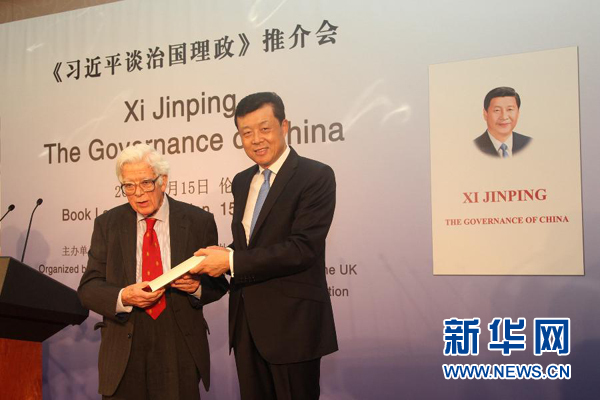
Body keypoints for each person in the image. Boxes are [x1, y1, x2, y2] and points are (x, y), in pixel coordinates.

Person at [191, 92, 338, 399]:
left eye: (264, 128)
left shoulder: (316, 175)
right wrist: (223, 255)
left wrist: (231, 262)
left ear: (284, 127)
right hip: (246, 325)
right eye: (246, 133)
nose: (256, 139)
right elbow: (250, 243)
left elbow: (302, 248)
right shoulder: (242, 181)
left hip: (293, 326)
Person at [78, 144, 228, 400]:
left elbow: (219, 283)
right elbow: (88, 288)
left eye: (146, 183)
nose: (138, 193)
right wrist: (124, 296)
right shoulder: (107, 224)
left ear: (163, 181)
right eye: (129, 186)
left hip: (178, 340)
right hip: (125, 339)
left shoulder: (197, 221)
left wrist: (197, 287)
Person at [474, 86, 531, 158]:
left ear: (518, 113)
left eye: (510, 109)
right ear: (485, 114)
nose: (504, 117)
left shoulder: (528, 143)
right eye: (497, 110)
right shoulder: (475, 147)